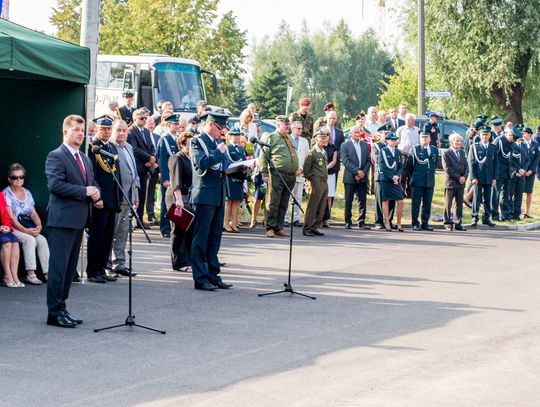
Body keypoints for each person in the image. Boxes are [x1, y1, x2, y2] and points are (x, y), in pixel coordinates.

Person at [45, 114, 100, 328]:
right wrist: (84, 191)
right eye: (76, 129)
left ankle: (62, 307)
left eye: (82, 129)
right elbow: (55, 185)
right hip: (62, 220)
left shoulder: (84, 158)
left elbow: (91, 182)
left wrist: (96, 193)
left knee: (70, 270)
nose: (80, 133)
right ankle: (53, 312)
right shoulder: (56, 156)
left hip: (79, 220)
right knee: (58, 268)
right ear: (65, 131)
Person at [190, 112, 233, 291]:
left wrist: (241, 168)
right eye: (220, 128)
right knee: (201, 238)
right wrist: (218, 152)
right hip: (204, 195)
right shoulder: (197, 141)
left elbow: (224, 166)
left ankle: (213, 275)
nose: (222, 132)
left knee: (215, 237)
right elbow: (202, 163)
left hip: (218, 194)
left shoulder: (217, 143)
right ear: (210, 124)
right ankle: (200, 277)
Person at [86, 115, 122, 283]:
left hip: (112, 199)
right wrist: (96, 198)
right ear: (97, 129)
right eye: (103, 129)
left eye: (109, 129)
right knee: (97, 236)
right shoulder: (93, 148)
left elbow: (117, 175)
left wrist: (118, 198)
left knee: (107, 237)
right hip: (100, 200)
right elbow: (92, 176)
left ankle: (102, 268)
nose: (107, 132)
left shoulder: (112, 147)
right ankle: (93, 270)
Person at [4, 163, 49, 285]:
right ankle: (31, 274)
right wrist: (26, 231)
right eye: (14, 177)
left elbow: (33, 213)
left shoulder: (27, 192)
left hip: (27, 226)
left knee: (42, 240)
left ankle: (47, 273)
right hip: (13, 228)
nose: (18, 180)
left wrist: (38, 226)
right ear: (9, 179)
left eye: (21, 177)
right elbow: (11, 219)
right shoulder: (6, 194)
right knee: (30, 240)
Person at [259, 116, 299, 238]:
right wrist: (265, 173)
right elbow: (263, 155)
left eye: (288, 124)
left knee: (284, 202)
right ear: (278, 125)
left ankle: (278, 228)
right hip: (277, 174)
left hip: (290, 175)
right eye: (285, 124)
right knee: (274, 202)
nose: (288, 126)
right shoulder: (271, 137)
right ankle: (270, 228)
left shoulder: (289, 138)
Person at [109, 119, 139, 277]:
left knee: (122, 231)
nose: (121, 133)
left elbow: (134, 173)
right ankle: (106, 263)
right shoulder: (110, 148)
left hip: (129, 196)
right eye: (118, 130)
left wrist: (136, 194)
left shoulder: (128, 147)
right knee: (111, 230)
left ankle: (119, 262)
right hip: (117, 196)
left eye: (124, 130)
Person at [166, 131, 194, 272]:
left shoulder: (190, 158)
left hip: (187, 197)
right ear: (182, 145)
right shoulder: (176, 158)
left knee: (188, 230)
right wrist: (178, 200)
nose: (192, 146)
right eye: (190, 144)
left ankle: (188, 260)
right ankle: (179, 263)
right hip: (176, 197)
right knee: (178, 230)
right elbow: (175, 181)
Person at [127, 108, 157, 229]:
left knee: (143, 194)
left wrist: (152, 158)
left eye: (145, 118)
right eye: (141, 118)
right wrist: (148, 158)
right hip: (137, 167)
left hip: (146, 167)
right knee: (134, 195)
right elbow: (134, 149)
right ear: (135, 119)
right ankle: (132, 220)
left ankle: (139, 219)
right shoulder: (131, 131)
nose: (144, 120)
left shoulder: (146, 131)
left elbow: (151, 147)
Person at [157, 114, 183, 238]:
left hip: (177, 175)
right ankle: (165, 227)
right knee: (165, 202)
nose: (177, 126)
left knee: (176, 202)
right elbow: (162, 160)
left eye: (178, 124)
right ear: (168, 125)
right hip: (169, 176)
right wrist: (165, 178)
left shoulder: (177, 138)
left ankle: (175, 225)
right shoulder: (165, 139)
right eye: (175, 124)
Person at [340, 125, 371, 229]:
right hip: (350, 177)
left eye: (359, 132)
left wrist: (363, 172)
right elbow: (345, 161)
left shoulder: (364, 145)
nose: (357, 134)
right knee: (349, 200)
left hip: (363, 177)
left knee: (362, 200)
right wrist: (357, 172)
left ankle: (361, 221)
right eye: (355, 132)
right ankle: (348, 221)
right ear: (350, 134)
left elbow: (368, 160)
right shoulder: (345, 145)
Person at [406, 131, 438, 231]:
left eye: (426, 137)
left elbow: (434, 163)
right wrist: (415, 176)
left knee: (427, 203)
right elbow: (409, 166)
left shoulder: (434, 149)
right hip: (417, 181)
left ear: (430, 138)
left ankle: (425, 222)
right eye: (422, 137)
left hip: (429, 181)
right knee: (416, 203)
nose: (424, 139)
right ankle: (415, 223)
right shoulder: (415, 149)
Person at [467, 126, 498, 227]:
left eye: (486, 134)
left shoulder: (493, 147)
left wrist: (494, 178)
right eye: (483, 134)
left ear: (489, 135)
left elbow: (496, 164)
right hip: (478, 177)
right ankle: (474, 217)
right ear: (480, 135)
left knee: (488, 198)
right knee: (476, 198)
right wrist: (473, 177)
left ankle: (486, 218)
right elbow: (471, 163)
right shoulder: (475, 147)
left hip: (489, 177)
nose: (485, 136)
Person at [302, 130, 329, 237]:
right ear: (315, 139)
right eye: (321, 137)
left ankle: (314, 227)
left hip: (324, 182)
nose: (323, 139)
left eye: (325, 137)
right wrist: (311, 181)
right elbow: (306, 169)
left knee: (321, 207)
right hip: (315, 182)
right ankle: (307, 228)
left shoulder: (324, 152)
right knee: (312, 207)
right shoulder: (312, 152)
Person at [285, 121, 309, 227]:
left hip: (300, 173)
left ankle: (296, 218)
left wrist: (302, 169)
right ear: (293, 129)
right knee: (287, 197)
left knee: (298, 197)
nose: (300, 130)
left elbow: (307, 157)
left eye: (301, 128)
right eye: (298, 128)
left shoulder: (304, 141)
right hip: (289, 173)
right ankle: (285, 218)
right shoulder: (286, 139)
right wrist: (292, 169)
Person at [378, 133, 404, 231]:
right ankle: (387, 222)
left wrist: (397, 176)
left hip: (395, 180)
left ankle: (399, 223)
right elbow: (382, 166)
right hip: (386, 179)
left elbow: (400, 166)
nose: (394, 141)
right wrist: (391, 177)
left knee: (400, 201)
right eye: (392, 140)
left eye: (395, 140)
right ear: (387, 141)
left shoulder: (397, 152)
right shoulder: (383, 151)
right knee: (385, 201)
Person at [442, 133, 468, 231]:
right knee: (448, 204)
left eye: (459, 141)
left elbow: (466, 166)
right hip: (451, 182)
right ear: (451, 141)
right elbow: (447, 169)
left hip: (461, 183)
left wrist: (464, 177)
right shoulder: (446, 153)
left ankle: (458, 223)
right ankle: (447, 223)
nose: (458, 143)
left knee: (459, 204)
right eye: (456, 141)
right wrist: (458, 177)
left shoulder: (462, 152)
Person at [223, 128, 247, 233]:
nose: (237, 137)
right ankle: (225, 223)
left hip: (239, 175)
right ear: (230, 136)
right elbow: (229, 161)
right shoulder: (227, 148)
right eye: (234, 135)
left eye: (238, 135)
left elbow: (244, 160)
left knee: (237, 201)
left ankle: (234, 223)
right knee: (228, 201)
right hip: (230, 176)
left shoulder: (241, 148)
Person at [372, 125, 395, 229]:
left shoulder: (393, 147)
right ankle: (379, 221)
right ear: (380, 134)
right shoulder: (376, 146)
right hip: (380, 176)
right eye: (384, 133)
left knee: (391, 199)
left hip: (391, 178)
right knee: (380, 199)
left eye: (387, 133)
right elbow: (378, 160)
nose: (386, 135)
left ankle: (389, 220)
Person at [0, 190, 22, 288]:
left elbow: (4, 214)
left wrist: (7, 226)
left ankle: (14, 276)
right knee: (7, 243)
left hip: (3, 228)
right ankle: (7, 275)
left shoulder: (0, 195)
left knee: (15, 243)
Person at [396, 113, 420, 197]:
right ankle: (401, 192)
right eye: (406, 120)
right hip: (402, 155)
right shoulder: (400, 129)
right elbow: (396, 142)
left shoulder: (417, 130)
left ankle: (410, 192)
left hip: (413, 156)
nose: (407, 121)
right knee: (402, 174)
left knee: (411, 175)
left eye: (409, 120)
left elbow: (419, 143)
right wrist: (400, 151)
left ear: (413, 121)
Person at [509, 127, 529, 221]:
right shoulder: (511, 145)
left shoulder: (524, 145)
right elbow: (511, 160)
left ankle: (517, 214)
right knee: (510, 194)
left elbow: (527, 160)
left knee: (519, 195)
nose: (521, 134)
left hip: (522, 175)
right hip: (514, 174)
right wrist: (517, 170)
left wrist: (524, 170)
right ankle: (510, 213)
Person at [522, 127, 540, 218]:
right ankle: (514, 211)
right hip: (520, 172)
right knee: (516, 192)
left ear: (530, 134)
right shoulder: (519, 143)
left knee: (529, 192)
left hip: (530, 172)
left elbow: (537, 158)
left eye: (525, 133)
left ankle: (527, 212)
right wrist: (522, 170)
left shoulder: (535, 144)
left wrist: (532, 170)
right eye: (523, 133)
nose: (523, 135)